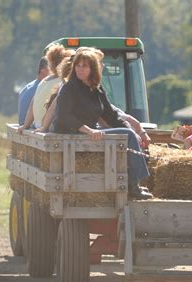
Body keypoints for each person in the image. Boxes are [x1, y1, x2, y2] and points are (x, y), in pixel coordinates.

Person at [51, 48, 152, 200]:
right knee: (129, 135)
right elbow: (64, 118)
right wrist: (89, 130)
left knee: (129, 134)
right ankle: (133, 186)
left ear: (93, 68)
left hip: (89, 133)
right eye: (78, 65)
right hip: (71, 134)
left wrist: (130, 130)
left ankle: (134, 180)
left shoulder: (96, 89)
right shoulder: (69, 88)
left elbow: (110, 115)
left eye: (84, 66)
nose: (80, 69)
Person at [19, 44, 74, 131]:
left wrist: (25, 125)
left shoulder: (44, 80)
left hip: (36, 124)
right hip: (47, 125)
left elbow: (32, 105)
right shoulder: (62, 82)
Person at [18, 57, 49, 125]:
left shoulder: (28, 87)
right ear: (42, 70)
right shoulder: (38, 89)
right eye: (51, 68)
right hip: (29, 128)